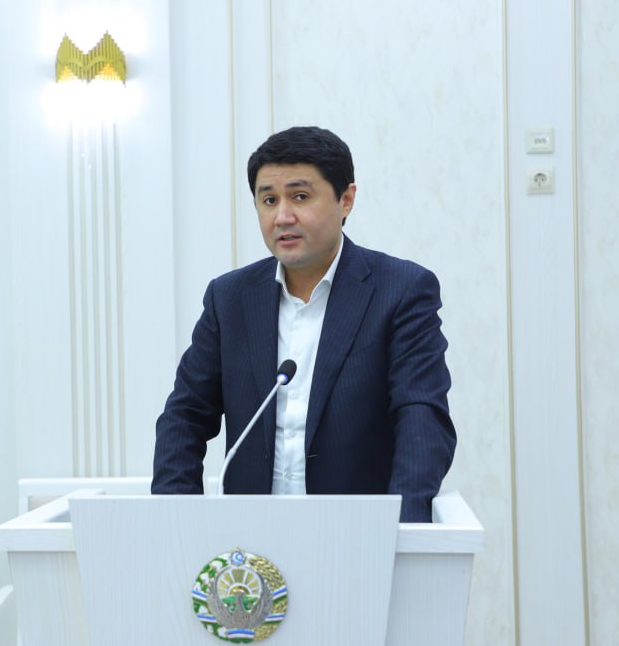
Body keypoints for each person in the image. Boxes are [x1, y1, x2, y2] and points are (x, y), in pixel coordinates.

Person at [151, 126, 456, 522]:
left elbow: (421, 420)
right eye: (269, 200)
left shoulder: (400, 291)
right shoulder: (229, 298)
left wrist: (402, 533)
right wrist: (176, 523)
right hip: (249, 539)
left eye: (300, 196)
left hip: (357, 533)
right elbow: (185, 416)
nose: (282, 216)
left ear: (346, 200)